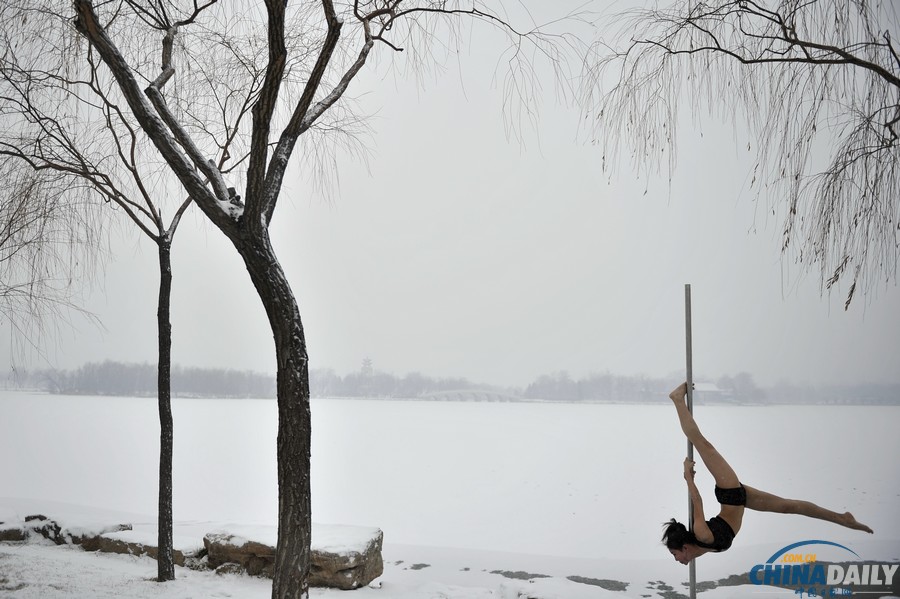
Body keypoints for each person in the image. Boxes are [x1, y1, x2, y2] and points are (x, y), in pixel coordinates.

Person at [662, 382, 873, 564]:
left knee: (702, 444)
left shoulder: (701, 535)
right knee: (788, 507)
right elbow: (689, 545)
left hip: (730, 492)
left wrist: (687, 476)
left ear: (685, 548)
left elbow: (697, 501)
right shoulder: (696, 549)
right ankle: (842, 519)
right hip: (739, 501)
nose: (676, 560)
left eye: (675, 554)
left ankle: (677, 399)